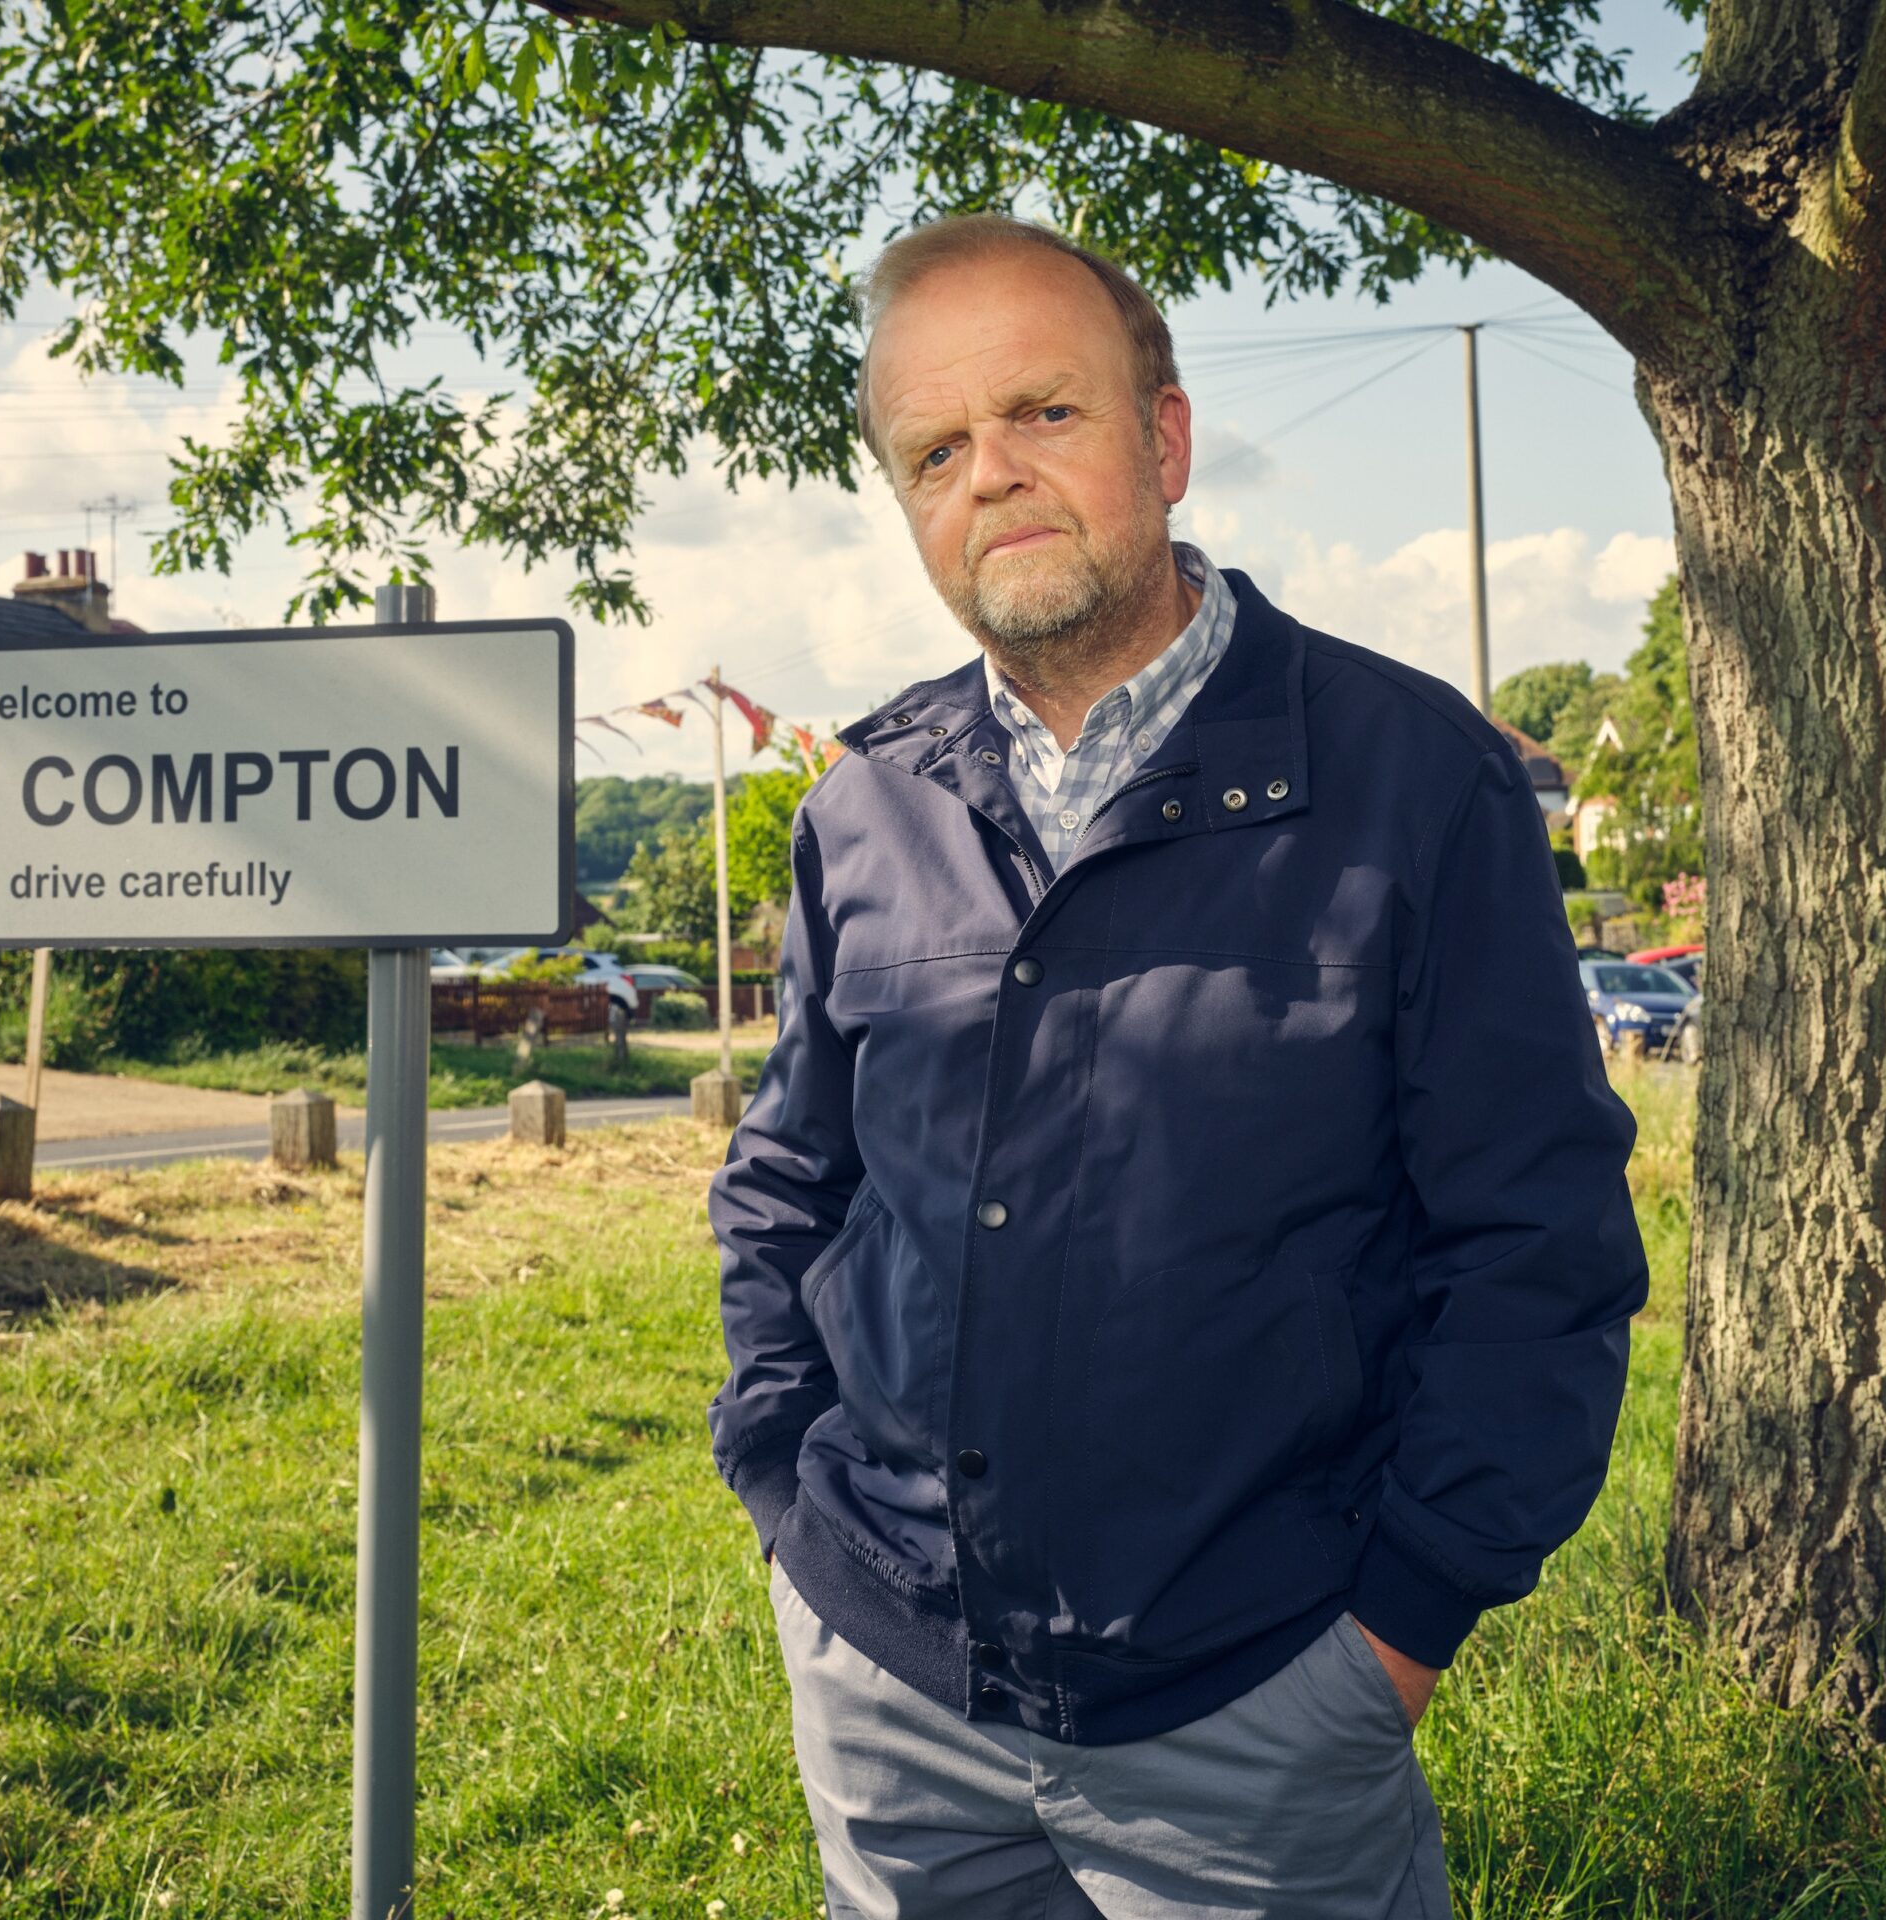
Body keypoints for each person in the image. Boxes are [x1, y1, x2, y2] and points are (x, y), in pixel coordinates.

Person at [707, 213, 1649, 1920]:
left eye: (1043, 414)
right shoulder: (864, 806)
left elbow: (1539, 1246)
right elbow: (790, 1181)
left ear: (1167, 439)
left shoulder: (1414, 780)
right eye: (935, 448)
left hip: (1259, 1709)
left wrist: (1401, 1626)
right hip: (892, 1695)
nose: (989, 474)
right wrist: (788, 1499)